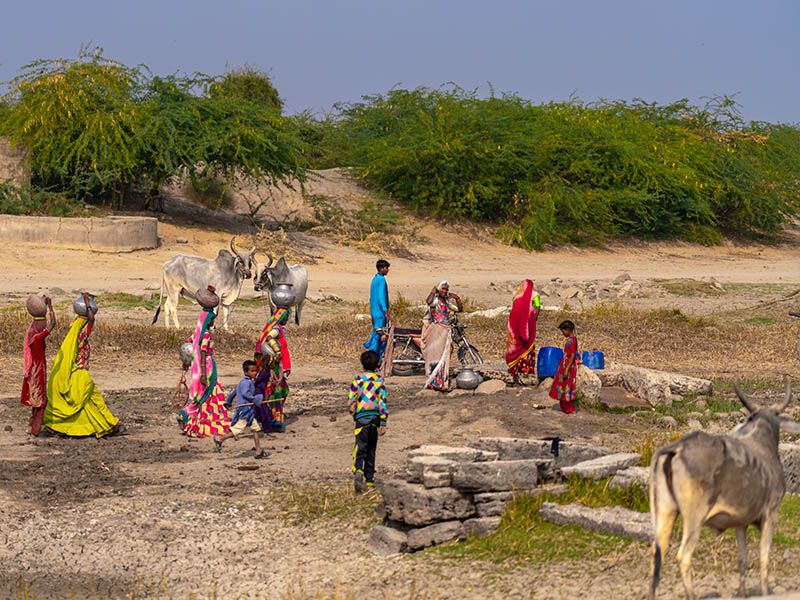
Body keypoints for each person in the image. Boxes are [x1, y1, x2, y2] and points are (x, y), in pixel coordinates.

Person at [44, 293, 124, 438]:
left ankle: (109, 424)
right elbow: (91, 318)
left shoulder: (74, 329)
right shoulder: (82, 332)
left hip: (75, 372)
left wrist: (50, 306)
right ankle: (109, 425)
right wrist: (87, 302)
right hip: (80, 374)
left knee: (91, 401)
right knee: (95, 400)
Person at [178, 292, 231, 437]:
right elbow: (202, 352)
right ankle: (200, 420)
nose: (214, 323)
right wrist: (203, 372)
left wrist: (185, 363)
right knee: (208, 392)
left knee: (198, 394)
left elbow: (187, 347)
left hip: (195, 368)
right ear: (208, 321)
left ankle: (186, 415)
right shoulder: (206, 335)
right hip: (205, 366)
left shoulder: (196, 333)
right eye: (213, 320)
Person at [349, 350, 388, 493]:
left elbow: (352, 399)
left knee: (360, 447)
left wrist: (353, 412)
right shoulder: (379, 381)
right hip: (375, 419)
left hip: (361, 419)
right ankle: (370, 481)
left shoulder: (357, 379)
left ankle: (358, 470)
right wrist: (383, 422)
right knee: (372, 450)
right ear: (378, 365)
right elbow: (382, 402)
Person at [214, 360, 268, 459]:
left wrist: (228, 402)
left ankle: (258, 451)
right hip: (246, 410)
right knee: (237, 430)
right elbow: (245, 394)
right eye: (252, 371)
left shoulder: (243, 382)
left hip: (248, 411)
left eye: (255, 371)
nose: (254, 373)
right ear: (246, 372)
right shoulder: (247, 383)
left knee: (256, 429)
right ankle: (220, 439)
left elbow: (234, 392)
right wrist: (255, 399)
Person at [21, 295, 56, 436]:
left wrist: (43, 304)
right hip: (38, 371)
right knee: (40, 401)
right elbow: (52, 324)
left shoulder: (31, 331)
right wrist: (51, 307)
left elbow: (39, 318)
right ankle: (35, 430)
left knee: (35, 400)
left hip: (33, 370)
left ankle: (32, 426)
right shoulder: (38, 337)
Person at [254, 307, 292, 433]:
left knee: (281, 391)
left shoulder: (280, 328)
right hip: (274, 366)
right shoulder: (276, 329)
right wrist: (277, 351)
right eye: (286, 316)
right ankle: (272, 419)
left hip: (277, 365)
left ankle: (273, 418)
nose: (287, 319)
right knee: (277, 391)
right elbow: (269, 338)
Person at [421, 281, 462, 391]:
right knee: (435, 357)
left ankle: (441, 383)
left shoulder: (447, 302)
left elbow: (460, 310)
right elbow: (428, 302)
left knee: (444, 358)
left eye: (446, 289)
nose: (445, 291)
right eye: (443, 288)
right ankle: (433, 382)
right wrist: (432, 292)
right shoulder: (435, 300)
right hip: (436, 331)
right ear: (438, 289)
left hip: (445, 331)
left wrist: (457, 299)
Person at [505, 280, 541, 383]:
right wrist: (534, 320)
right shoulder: (535, 295)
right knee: (527, 345)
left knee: (515, 344)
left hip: (513, 324)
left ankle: (514, 372)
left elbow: (514, 307)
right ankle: (526, 372)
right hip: (527, 322)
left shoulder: (516, 294)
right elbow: (537, 307)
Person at [549, 320, 580, 414]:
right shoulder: (571, 340)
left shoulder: (572, 341)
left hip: (568, 366)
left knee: (567, 386)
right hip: (565, 365)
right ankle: (565, 407)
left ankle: (569, 408)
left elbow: (573, 355)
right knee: (563, 385)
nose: (562, 333)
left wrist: (567, 369)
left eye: (563, 331)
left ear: (567, 330)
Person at [363, 259, 390, 361]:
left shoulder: (375, 279)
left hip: (374, 312)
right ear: (381, 268)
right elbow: (381, 297)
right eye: (386, 268)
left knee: (376, 335)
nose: (387, 270)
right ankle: (374, 359)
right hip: (380, 313)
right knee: (380, 337)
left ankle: (373, 358)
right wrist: (385, 311)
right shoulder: (381, 280)